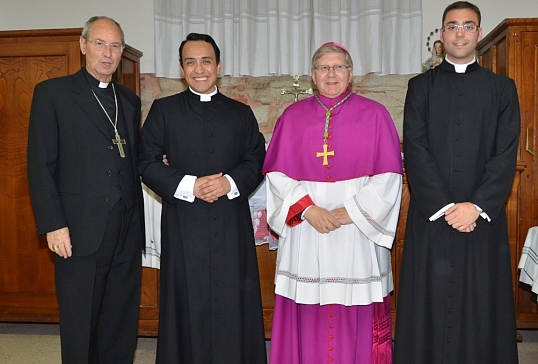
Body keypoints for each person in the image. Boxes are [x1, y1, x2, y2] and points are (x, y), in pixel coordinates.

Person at [393, 2, 520, 363]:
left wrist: (475, 206)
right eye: (452, 26)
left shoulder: (502, 88)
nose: (460, 33)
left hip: (482, 218)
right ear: (442, 36)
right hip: (433, 218)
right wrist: (447, 207)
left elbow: (506, 152)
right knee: (430, 300)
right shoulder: (420, 87)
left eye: (468, 26)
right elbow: (414, 149)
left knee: (481, 298)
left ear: (479, 34)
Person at [263, 42, 403, 363]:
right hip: (307, 228)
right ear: (313, 75)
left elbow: (389, 178)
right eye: (324, 68)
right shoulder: (292, 116)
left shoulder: (375, 115)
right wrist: (308, 210)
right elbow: (277, 174)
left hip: (356, 229)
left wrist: (348, 212)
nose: (331, 74)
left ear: (350, 74)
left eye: (338, 67)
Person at [138, 33, 267, 363]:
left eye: (206, 61)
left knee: (232, 298)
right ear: (182, 69)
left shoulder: (241, 113)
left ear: (218, 66)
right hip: (184, 224)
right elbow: (146, 161)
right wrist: (188, 185)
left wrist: (230, 181)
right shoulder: (163, 111)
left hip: (230, 224)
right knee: (186, 299)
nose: (199, 69)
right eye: (190, 62)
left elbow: (256, 159)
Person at [27, 16, 144, 364]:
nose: (107, 54)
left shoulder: (129, 99)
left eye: (115, 46)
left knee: (120, 315)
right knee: (81, 319)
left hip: (125, 226)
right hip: (78, 228)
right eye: (100, 43)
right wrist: (53, 223)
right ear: (83, 45)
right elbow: (40, 165)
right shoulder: (53, 94)